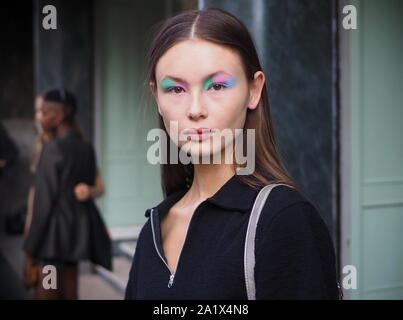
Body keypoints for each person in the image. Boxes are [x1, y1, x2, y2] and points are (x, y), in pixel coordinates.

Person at [125, 8, 339, 300]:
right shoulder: (153, 229)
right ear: (157, 99)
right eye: (176, 89)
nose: (195, 109)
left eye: (217, 85)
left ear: (254, 90)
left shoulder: (283, 220)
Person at [23, 88, 112, 300]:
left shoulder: (52, 148)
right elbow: (90, 185)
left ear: (60, 115)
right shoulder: (86, 147)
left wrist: (30, 248)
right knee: (70, 293)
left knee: (47, 292)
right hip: (73, 242)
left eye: (45, 112)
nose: (42, 118)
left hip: (50, 248)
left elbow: (44, 204)